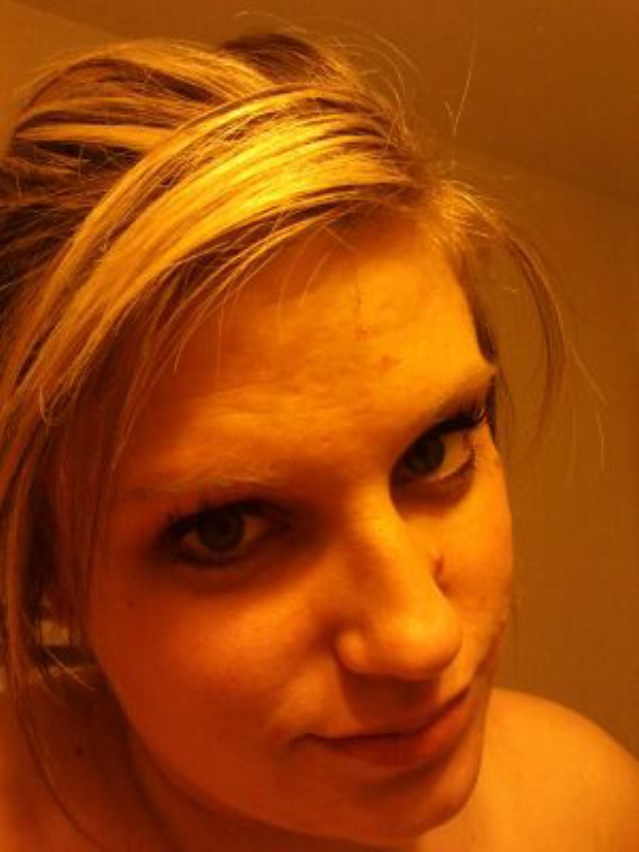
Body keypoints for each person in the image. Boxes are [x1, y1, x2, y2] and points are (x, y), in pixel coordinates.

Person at [0, 30, 637, 852]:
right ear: (48, 578)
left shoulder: (586, 808)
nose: (420, 639)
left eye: (432, 452)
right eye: (225, 531)